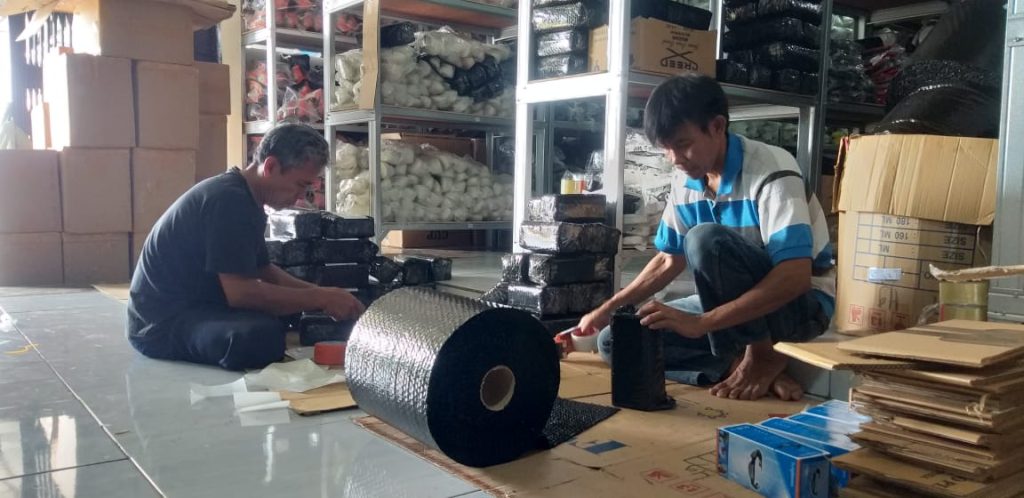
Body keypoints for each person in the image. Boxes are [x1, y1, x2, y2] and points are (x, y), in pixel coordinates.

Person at [578, 74, 834, 401]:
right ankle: (736, 365)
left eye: (683, 144)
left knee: (705, 240)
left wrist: (702, 322)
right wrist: (609, 308)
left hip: (801, 309)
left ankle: (762, 354)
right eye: (666, 149)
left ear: (717, 127)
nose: (675, 159)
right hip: (738, 306)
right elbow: (668, 260)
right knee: (617, 341)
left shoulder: (772, 170)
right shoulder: (685, 179)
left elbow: (795, 278)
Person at [126, 124, 365, 370]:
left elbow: (264, 270)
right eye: (300, 185)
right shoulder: (230, 201)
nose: (301, 196)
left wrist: (325, 294)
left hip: (199, 306)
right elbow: (241, 294)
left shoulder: (246, 198)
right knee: (260, 337)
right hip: (162, 324)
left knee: (281, 315)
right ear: (270, 167)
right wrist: (319, 298)